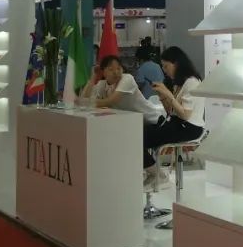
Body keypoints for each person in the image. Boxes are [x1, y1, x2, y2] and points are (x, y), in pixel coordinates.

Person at [143, 46, 205, 188]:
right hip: (178, 124)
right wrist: (162, 95)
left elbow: (185, 114)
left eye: (166, 66)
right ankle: (154, 173)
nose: (164, 70)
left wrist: (168, 94)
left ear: (176, 64)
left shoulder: (192, 82)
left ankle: (157, 174)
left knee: (139, 138)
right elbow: (171, 111)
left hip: (189, 128)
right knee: (139, 133)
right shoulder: (180, 83)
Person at [81, 54, 162, 121]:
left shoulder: (127, 78)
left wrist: (86, 102)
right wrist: (93, 76)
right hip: (132, 122)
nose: (116, 72)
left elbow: (110, 101)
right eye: (111, 69)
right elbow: (84, 98)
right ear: (103, 72)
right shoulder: (102, 84)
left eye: (118, 68)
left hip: (152, 121)